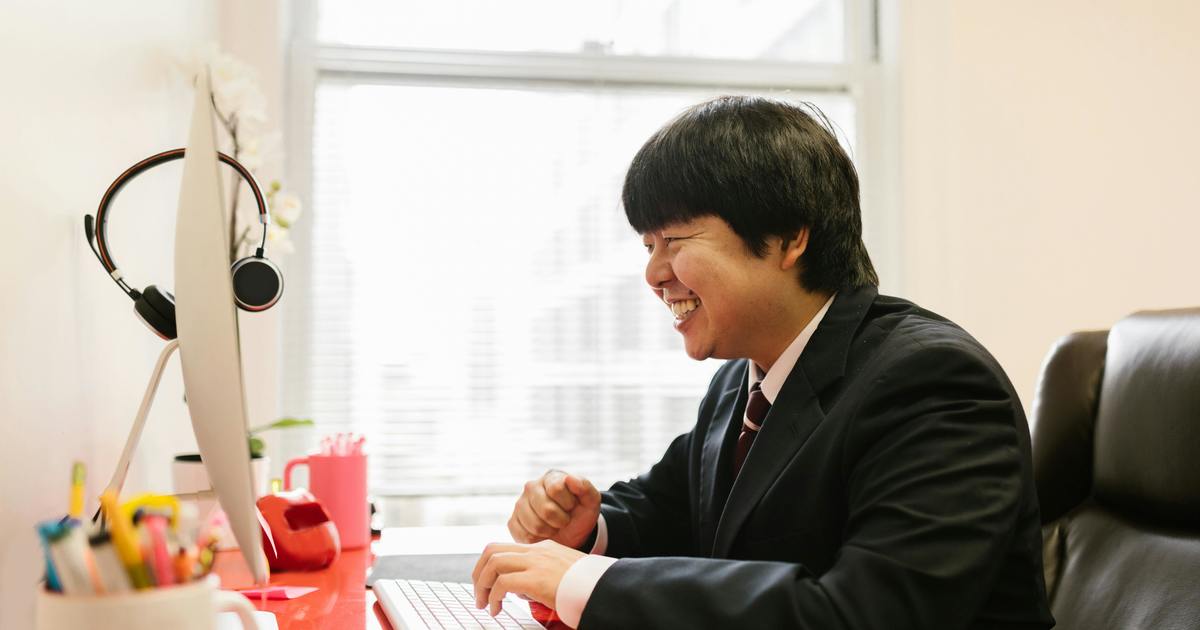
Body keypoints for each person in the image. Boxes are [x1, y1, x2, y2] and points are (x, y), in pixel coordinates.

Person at [471, 96, 1055, 629]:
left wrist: (587, 583)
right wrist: (589, 531)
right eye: (648, 246)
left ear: (788, 238)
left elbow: (863, 614)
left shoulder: (933, 382)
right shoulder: (742, 379)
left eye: (675, 240)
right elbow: (671, 513)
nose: (653, 274)